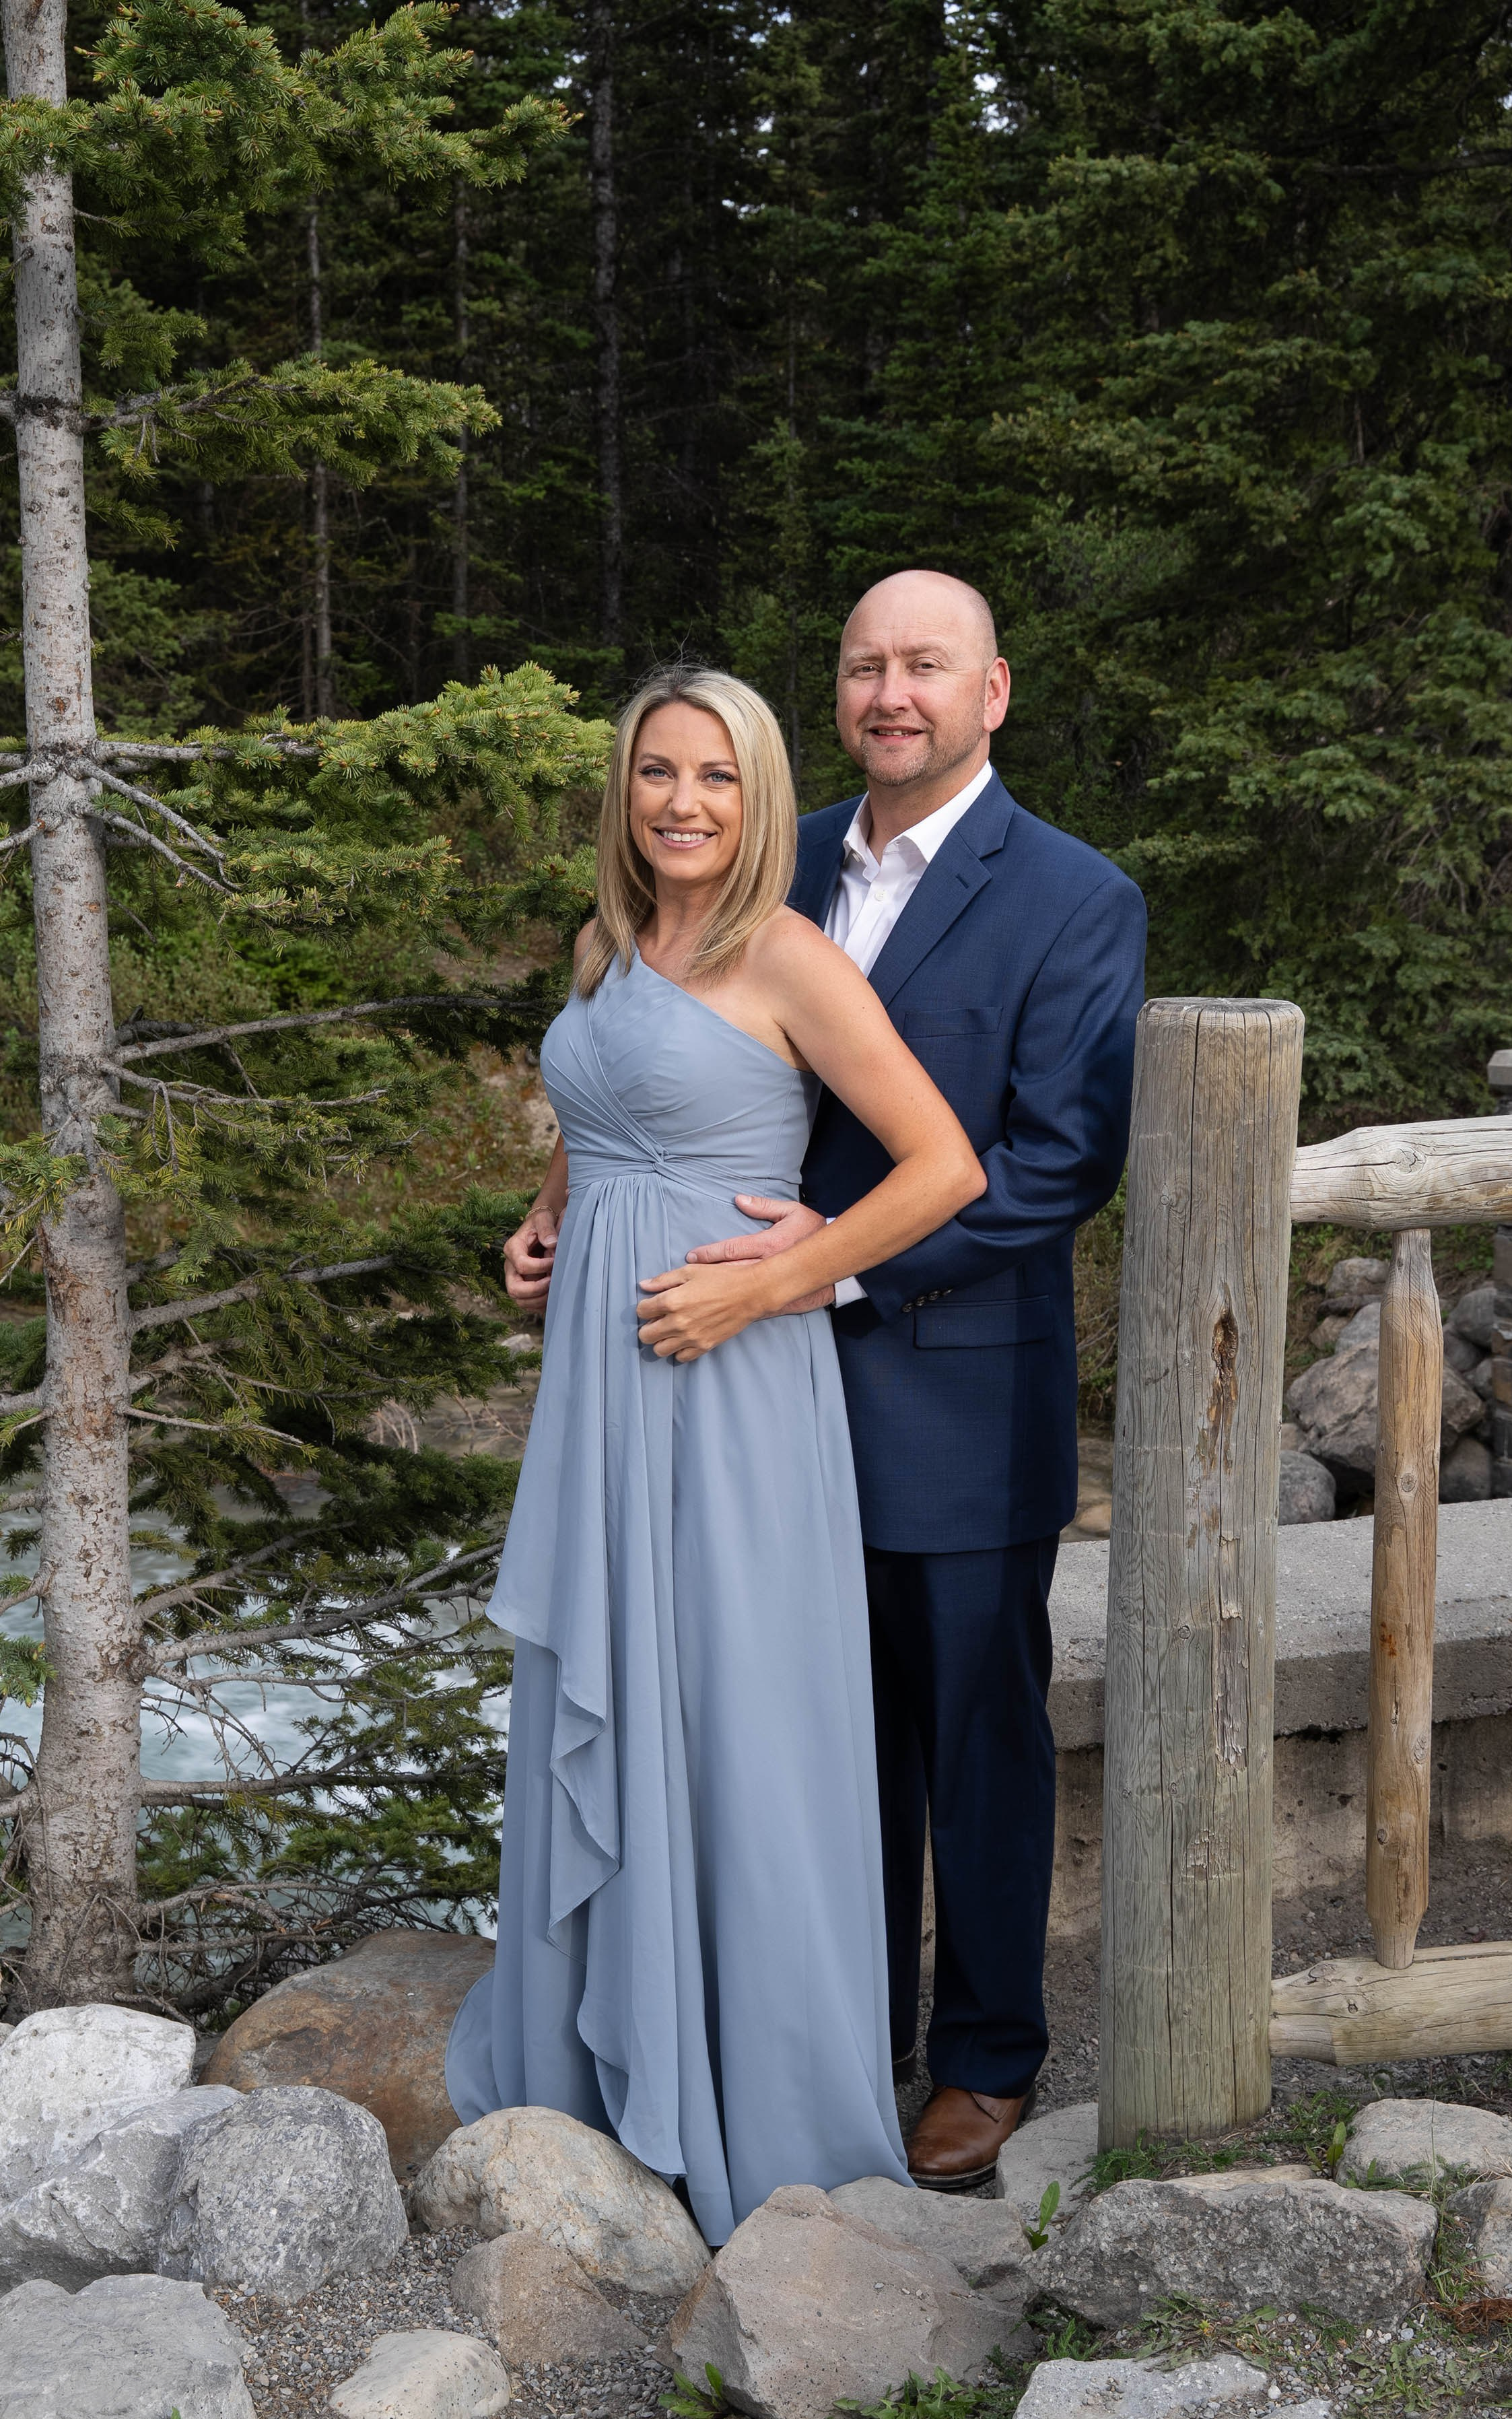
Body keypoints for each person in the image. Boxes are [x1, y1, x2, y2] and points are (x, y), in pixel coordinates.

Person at [445, 664, 986, 2245]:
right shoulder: (608, 944)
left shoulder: (787, 958)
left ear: (759, 797)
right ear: (625, 791)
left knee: (732, 1705)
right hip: (600, 1388)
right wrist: (546, 1221)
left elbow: (943, 1163)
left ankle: (750, 2096)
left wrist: (778, 1277)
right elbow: (600, 1109)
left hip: (734, 1385)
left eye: (719, 778)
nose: (682, 802)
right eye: (656, 773)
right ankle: (595, 2066)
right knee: (608, 1685)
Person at [686, 570, 1146, 2190]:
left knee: (974, 1735)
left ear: (992, 692)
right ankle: (838, 2038)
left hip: (951, 1383)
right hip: (756, 1395)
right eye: (866, 664)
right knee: (819, 1733)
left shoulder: (1076, 896)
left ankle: (987, 2055)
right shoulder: (773, 855)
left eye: (925, 667)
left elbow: (1056, 1163)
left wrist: (832, 1264)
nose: (893, 693)